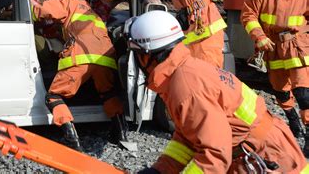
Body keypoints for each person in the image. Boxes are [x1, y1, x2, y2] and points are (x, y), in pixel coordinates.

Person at [126, 10, 307, 173]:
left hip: (266, 155)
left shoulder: (186, 88)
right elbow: (189, 137)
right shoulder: (183, 72)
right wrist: (161, 170)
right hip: (257, 150)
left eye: (136, 53)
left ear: (147, 55)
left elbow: (214, 155)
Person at [31, 0, 126, 151]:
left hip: (81, 58)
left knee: (54, 96)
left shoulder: (69, 3)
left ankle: (71, 138)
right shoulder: (93, 14)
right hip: (106, 59)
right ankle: (121, 133)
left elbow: (44, 11)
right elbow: (68, 31)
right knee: (108, 94)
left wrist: (30, 8)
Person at [240, 0, 309, 155]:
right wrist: (259, 36)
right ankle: (292, 119)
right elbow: (248, 16)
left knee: (304, 94)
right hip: (272, 48)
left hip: (297, 48)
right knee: (279, 90)